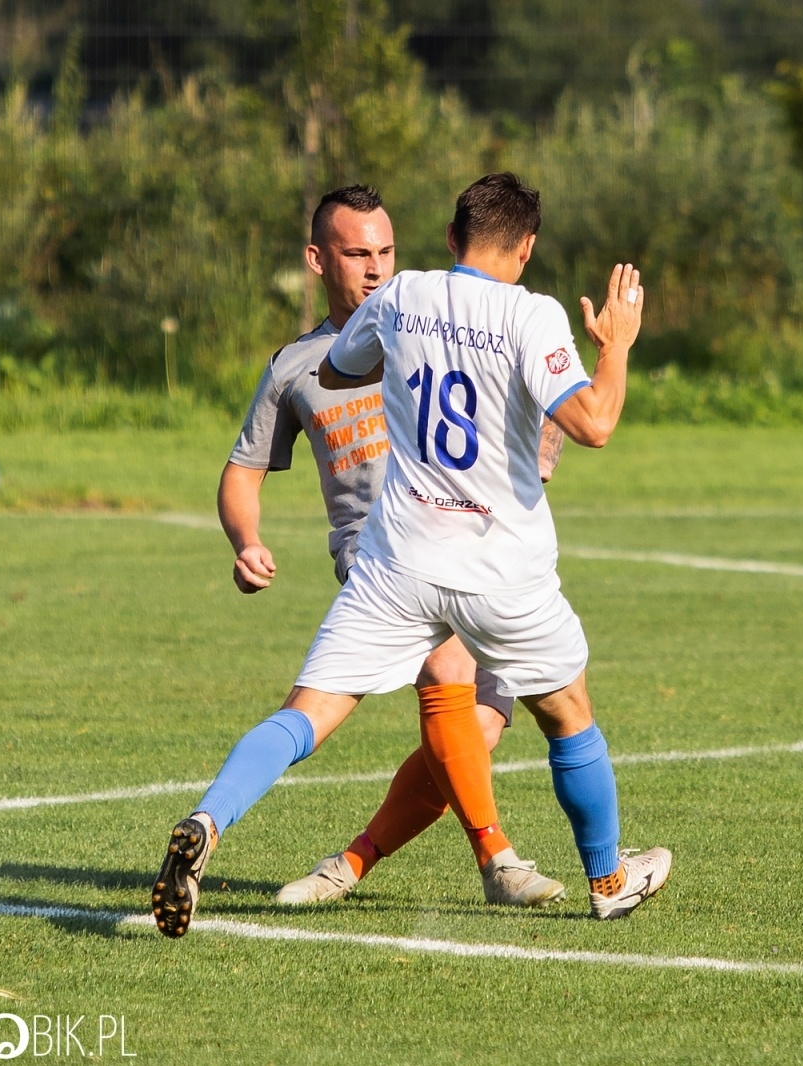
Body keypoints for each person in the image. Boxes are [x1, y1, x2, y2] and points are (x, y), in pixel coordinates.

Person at [151, 172, 668, 934]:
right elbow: (594, 423)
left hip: (397, 565)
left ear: (450, 238)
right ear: (526, 248)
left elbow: (338, 368)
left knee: (307, 713)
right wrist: (616, 346)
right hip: (497, 567)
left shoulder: (402, 298)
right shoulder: (532, 314)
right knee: (567, 714)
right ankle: (606, 879)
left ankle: (207, 820)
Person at [217, 184, 565, 908]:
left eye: (386, 251)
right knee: (447, 670)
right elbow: (243, 470)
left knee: (475, 732)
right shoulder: (297, 366)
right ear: (318, 260)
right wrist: (246, 540)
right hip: (380, 552)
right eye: (356, 253)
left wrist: (546, 436)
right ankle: (499, 860)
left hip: (480, 551)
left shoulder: (435, 324)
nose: (375, 268)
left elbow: (536, 391)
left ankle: (349, 863)